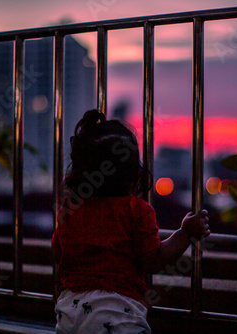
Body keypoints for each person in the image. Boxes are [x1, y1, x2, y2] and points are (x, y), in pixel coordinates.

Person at [51, 109, 210, 333]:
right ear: (135, 175)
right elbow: (152, 260)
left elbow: (59, 250)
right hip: (117, 315)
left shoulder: (70, 208)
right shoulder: (136, 210)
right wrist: (185, 234)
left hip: (69, 312)